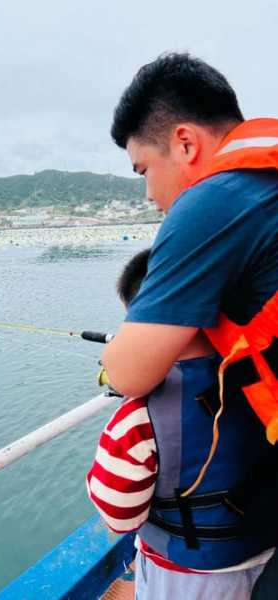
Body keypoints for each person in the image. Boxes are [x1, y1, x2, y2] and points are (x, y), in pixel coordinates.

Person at [101, 52, 278, 599]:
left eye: (143, 170)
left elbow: (127, 373)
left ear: (184, 143)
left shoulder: (214, 201)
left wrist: (111, 362)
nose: (149, 195)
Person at [87, 250, 273, 599]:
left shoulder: (137, 419)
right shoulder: (267, 380)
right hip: (265, 552)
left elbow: (117, 516)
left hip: (189, 576)